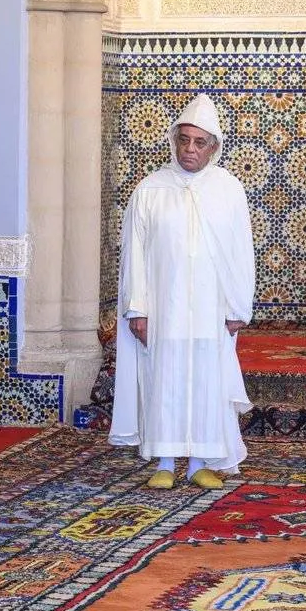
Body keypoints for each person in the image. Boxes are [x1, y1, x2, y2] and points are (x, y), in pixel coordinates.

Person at [109, 94, 256, 489]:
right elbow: (135, 254)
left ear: (213, 147)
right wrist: (137, 307)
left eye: (199, 142)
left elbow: (241, 251)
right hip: (164, 307)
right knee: (166, 378)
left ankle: (200, 464)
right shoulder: (150, 190)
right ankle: (165, 461)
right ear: (174, 141)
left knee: (207, 382)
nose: (189, 149)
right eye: (184, 140)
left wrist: (238, 304)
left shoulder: (228, 189)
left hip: (212, 309)